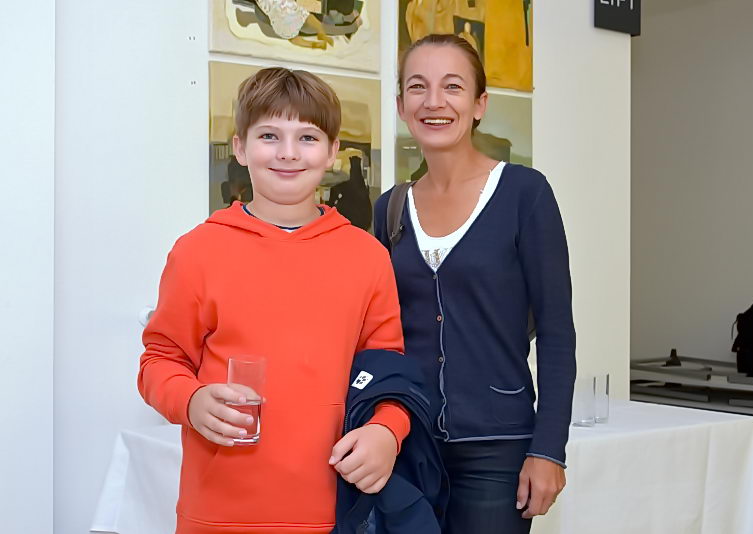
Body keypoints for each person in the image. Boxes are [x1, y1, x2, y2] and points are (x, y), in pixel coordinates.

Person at [138, 67, 411, 534]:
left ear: (332, 152)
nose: (288, 152)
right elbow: (160, 360)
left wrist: (388, 431)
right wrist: (191, 399)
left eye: (307, 138)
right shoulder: (198, 251)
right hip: (218, 513)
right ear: (240, 148)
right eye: (269, 135)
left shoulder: (367, 257)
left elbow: (391, 374)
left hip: (332, 511)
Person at [373, 34, 577, 534]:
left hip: (498, 449)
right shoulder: (389, 208)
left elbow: (556, 331)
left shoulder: (524, 194)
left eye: (453, 86)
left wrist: (549, 449)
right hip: (406, 443)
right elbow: (376, 333)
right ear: (400, 106)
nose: (434, 101)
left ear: (479, 104)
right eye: (417, 87)